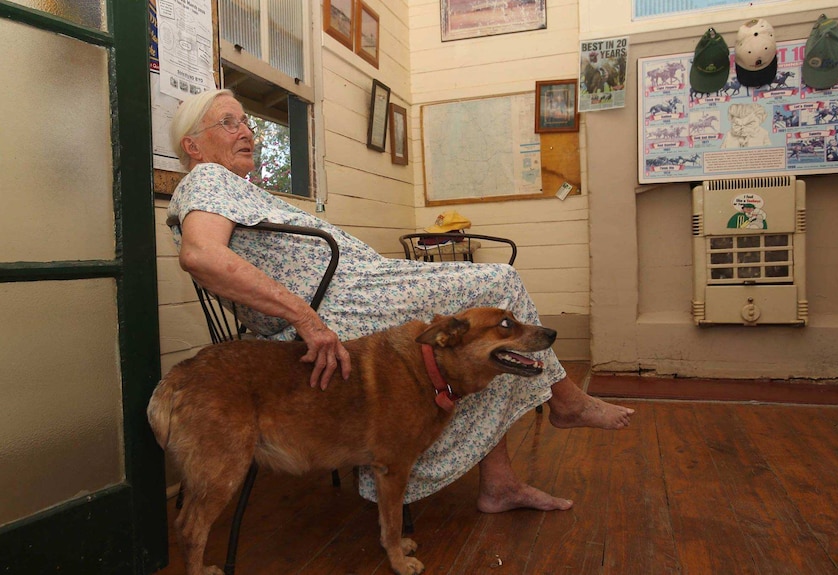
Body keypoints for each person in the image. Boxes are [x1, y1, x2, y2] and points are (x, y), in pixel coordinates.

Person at [167, 89, 634, 512]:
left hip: (361, 291)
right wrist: (306, 319)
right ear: (193, 145)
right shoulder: (206, 178)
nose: (247, 130)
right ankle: (562, 405)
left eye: (246, 120)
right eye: (229, 122)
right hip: (340, 306)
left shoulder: (234, 186)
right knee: (498, 283)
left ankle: (503, 478)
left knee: (479, 332)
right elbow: (202, 254)